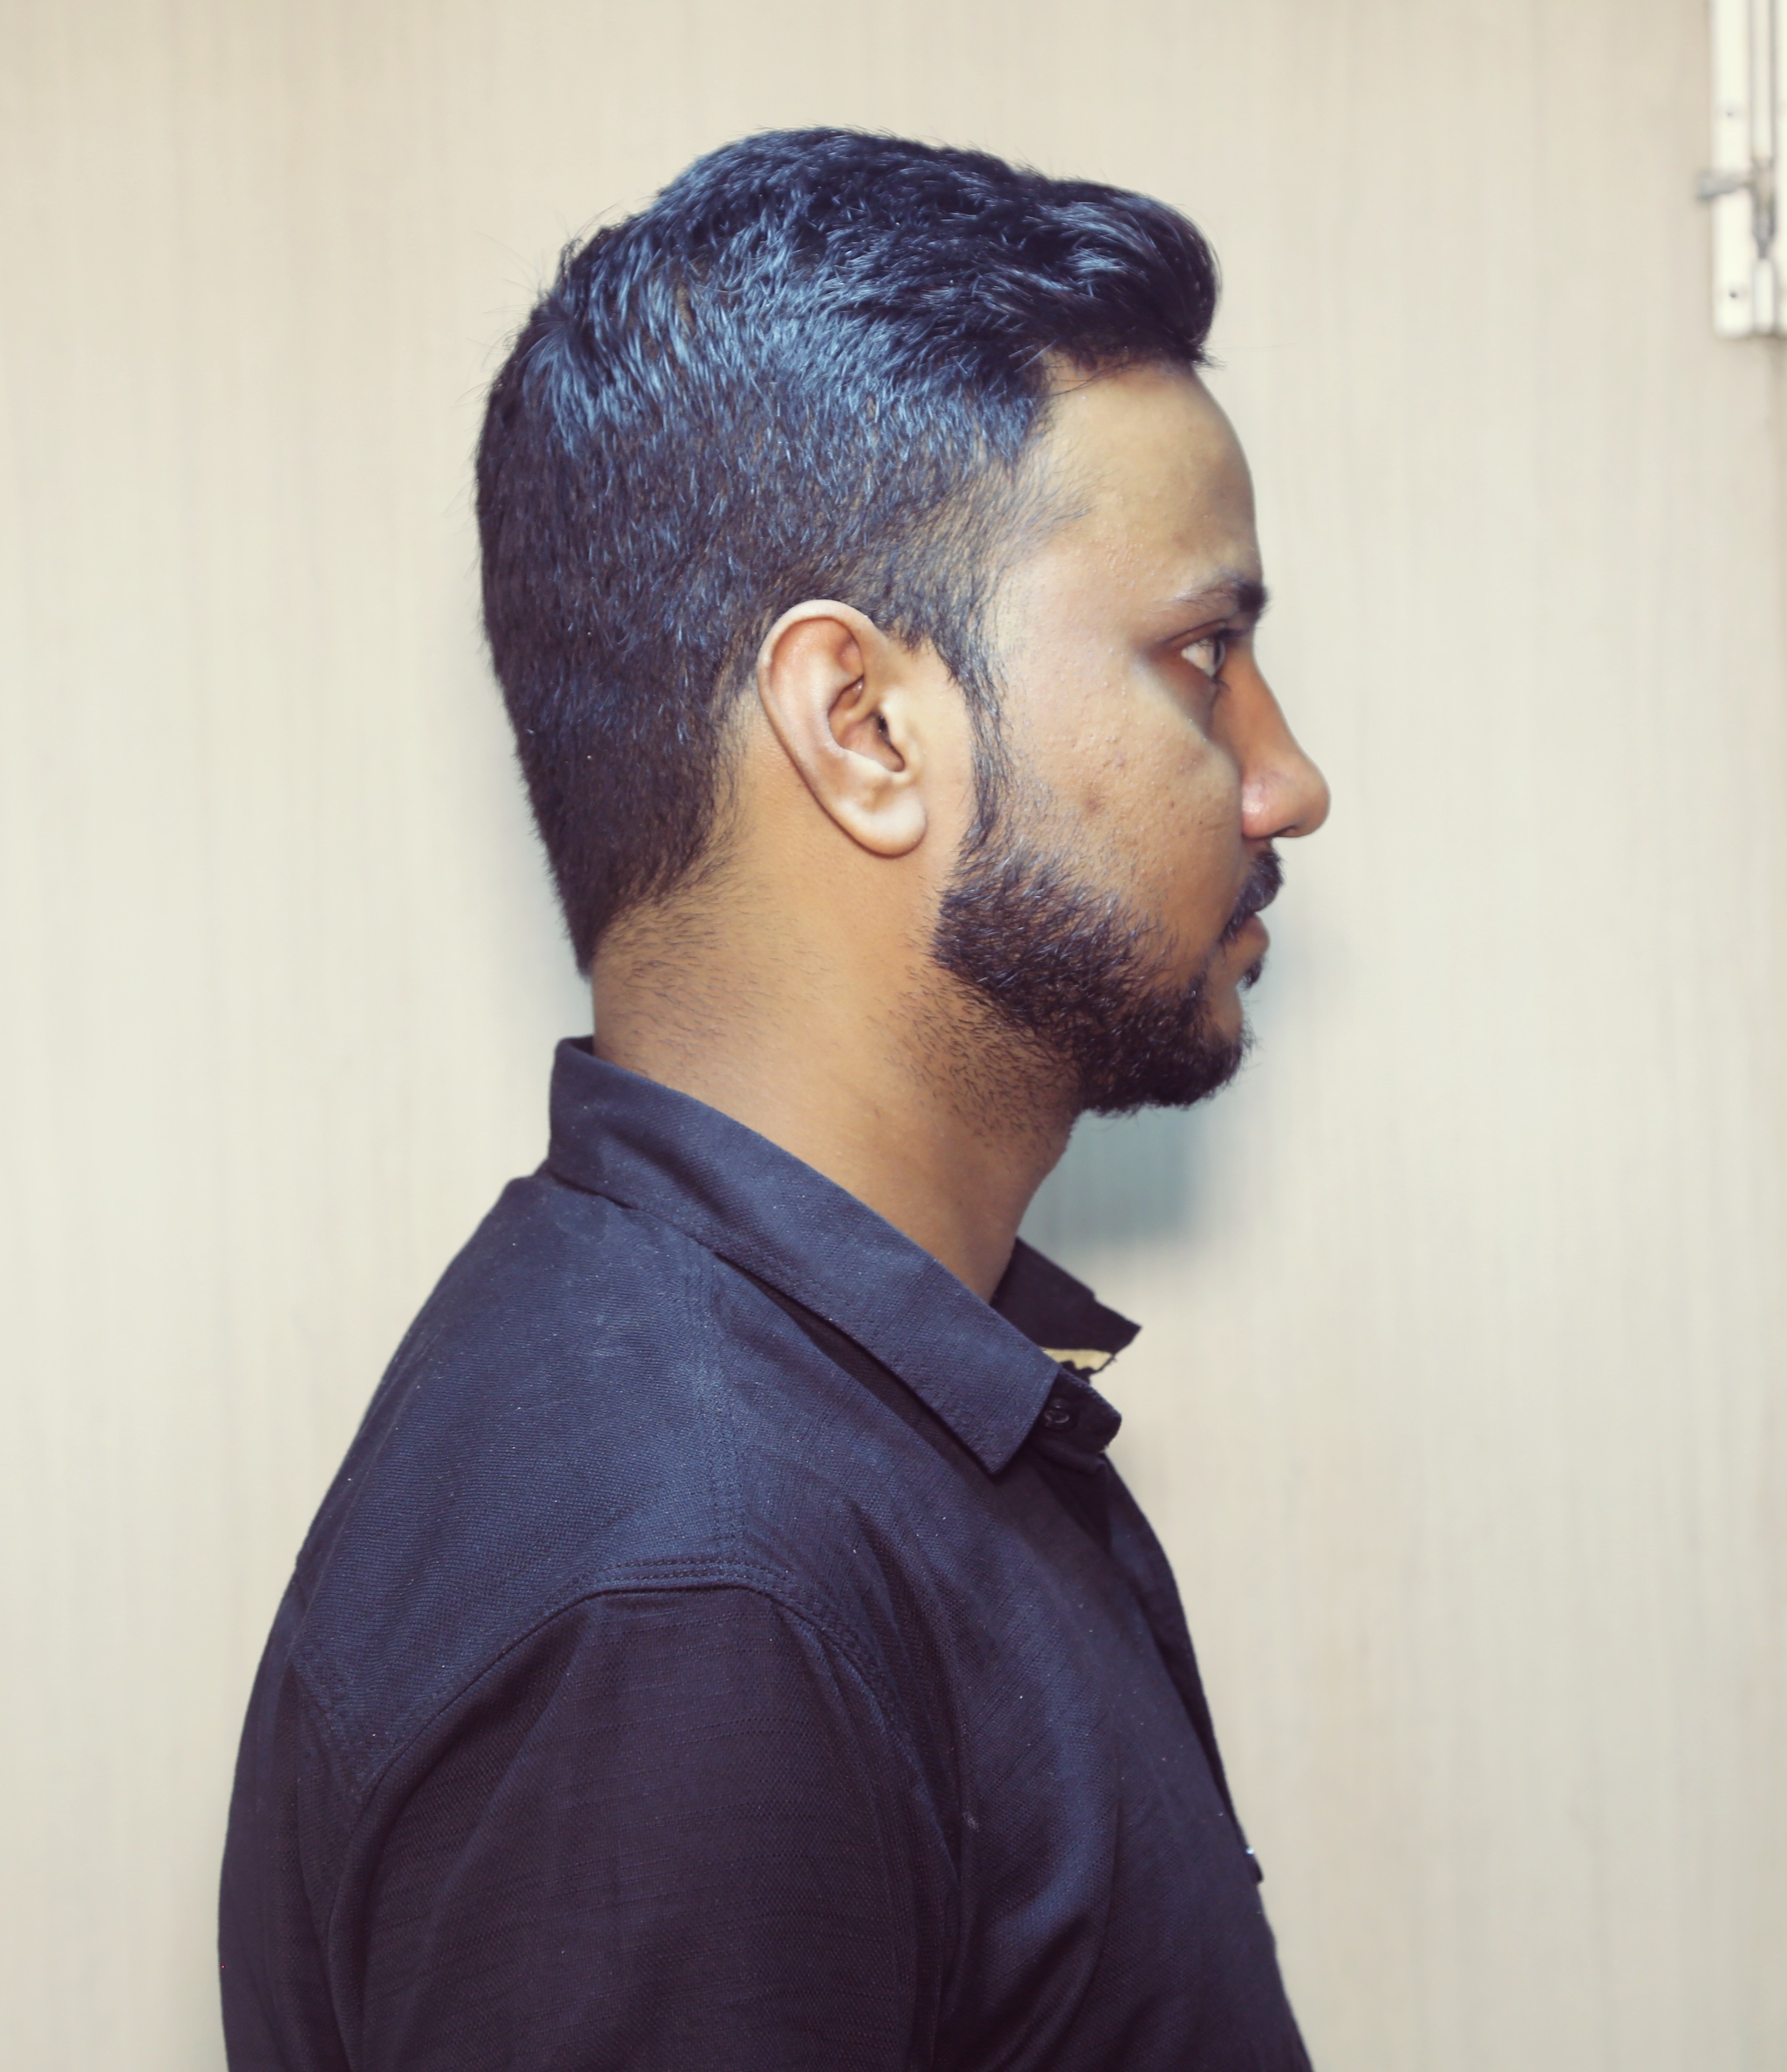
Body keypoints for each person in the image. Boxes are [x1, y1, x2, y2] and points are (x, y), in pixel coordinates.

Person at [219, 127, 1330, 2070]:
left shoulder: (826, 1433)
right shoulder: (690, 1595)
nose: (1286, 779)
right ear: (865, 727)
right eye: (1203, 656)